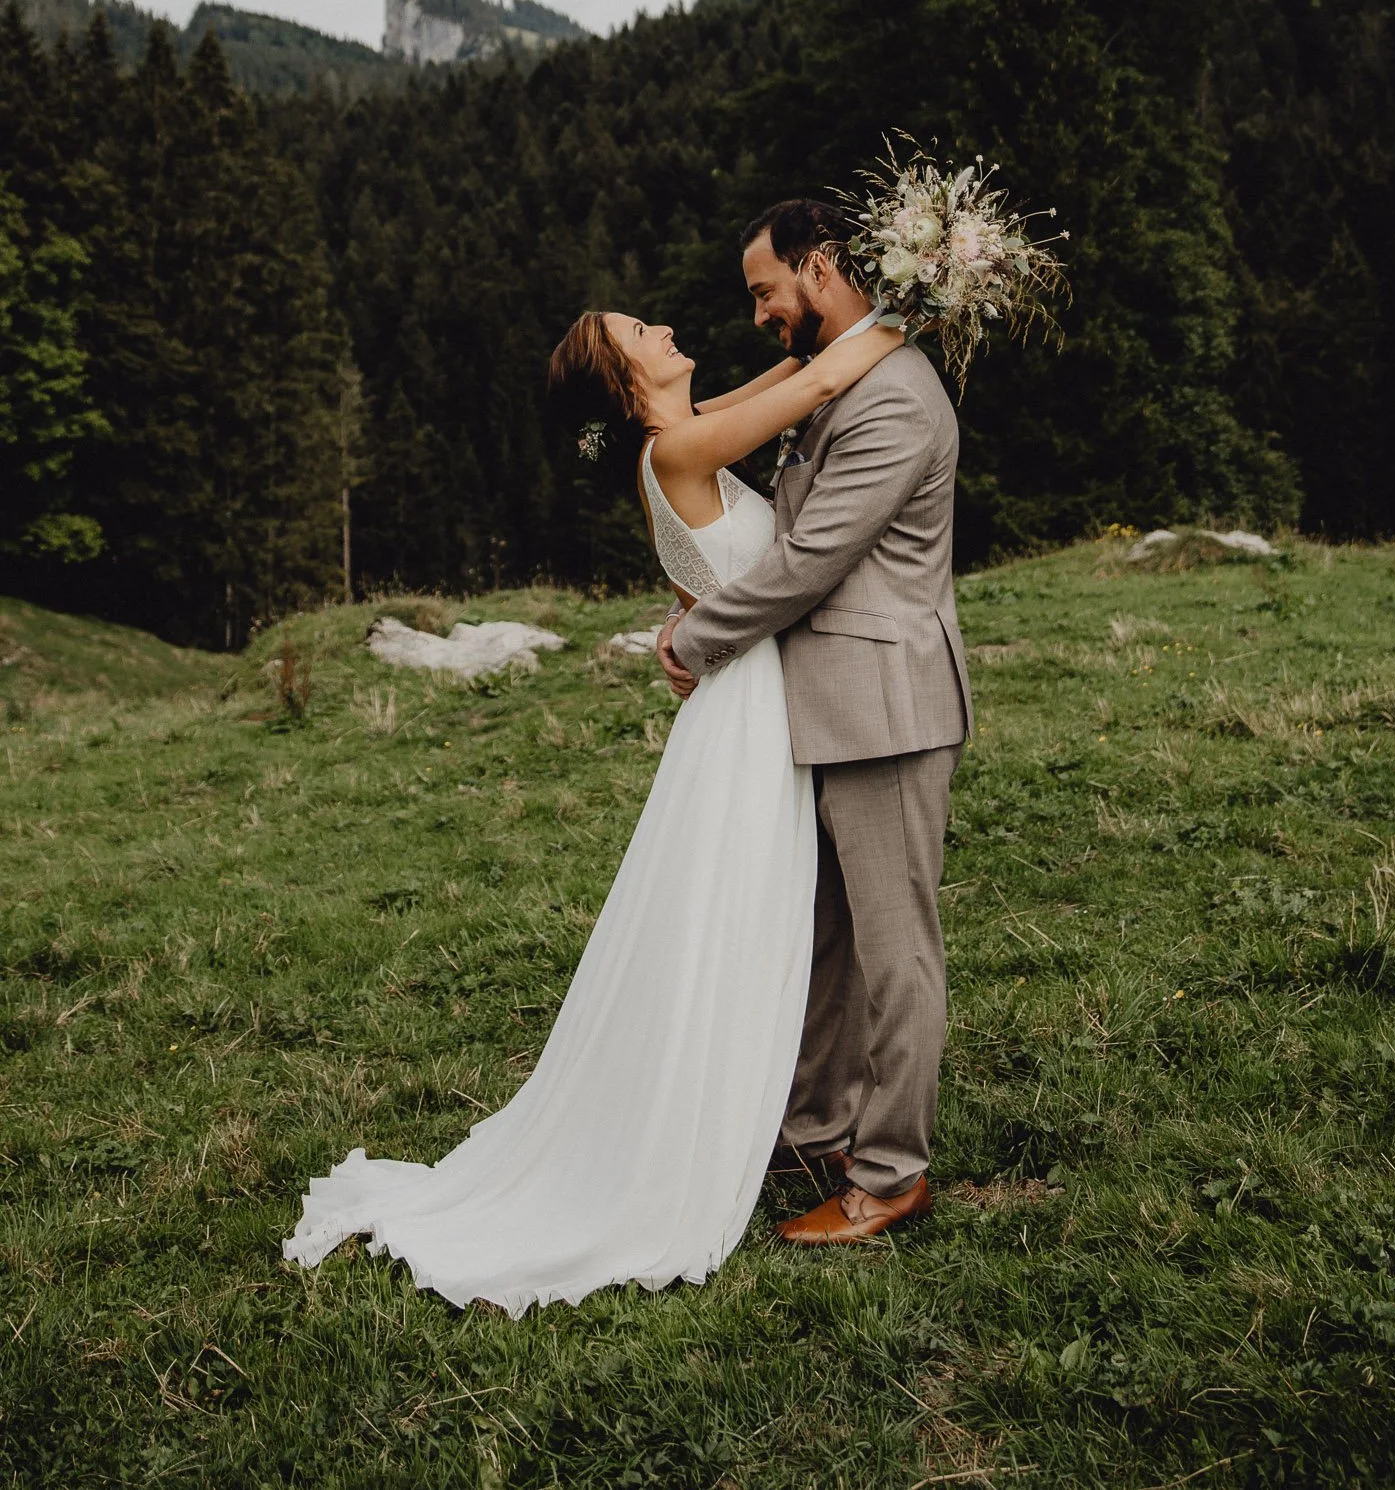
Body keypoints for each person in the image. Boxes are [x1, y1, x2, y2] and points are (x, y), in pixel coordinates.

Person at [283, 294, 900, 1313]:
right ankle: (715, 1127)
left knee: (740, 920)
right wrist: (926, 292)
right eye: (638, 336)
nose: (660, 330)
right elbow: (824, 381)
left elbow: (792, 387)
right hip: (746, 723)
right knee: (733, 921)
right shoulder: (676, 455)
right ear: (628, 384)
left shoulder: (686, 437)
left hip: (746, 711)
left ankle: (757, 1111)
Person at [658, 199, 972, 1244]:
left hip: (886, 706)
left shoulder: (895, 400)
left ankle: (889, 1177)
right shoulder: (834, 381)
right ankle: (817, 1133)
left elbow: (810, 560)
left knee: (895, 955)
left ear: (823, 265)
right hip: (828, 709)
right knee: (829, 946)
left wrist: (697, 640)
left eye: (764, 289)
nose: (756, 313)